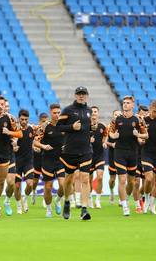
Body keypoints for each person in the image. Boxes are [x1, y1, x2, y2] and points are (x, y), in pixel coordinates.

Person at [58, 86, 95, 220]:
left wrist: (92, 129)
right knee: (69, 179)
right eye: (79, 94)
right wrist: (71, 127)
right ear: (75, 95)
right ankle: (67, 202)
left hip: (86, 150)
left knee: (85, 178)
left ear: (87, 96)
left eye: (83, 94)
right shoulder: (68, 110)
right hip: (70, 151)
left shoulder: (89, 111)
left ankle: (84, 210)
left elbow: (88, 128)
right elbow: (58, 127)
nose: (81, 96)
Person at [109, 96, 148, 216]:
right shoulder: (117, 119)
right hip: (119, 152)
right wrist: (113, 136)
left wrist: (138, 135)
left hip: (133, 153)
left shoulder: (139, 119)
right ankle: (125, 206)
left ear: (133, 105)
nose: (125, 105)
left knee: (132, 182)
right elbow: (111, 132)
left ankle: (126, 197)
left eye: (128, 103)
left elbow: (146, 135)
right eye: (124, 103)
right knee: (122, 179)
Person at [34, 104, 65, 217]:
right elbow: (36, 142)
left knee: (63, 185)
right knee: (48, 187)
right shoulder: (44, 126)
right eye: (55, 113)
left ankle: (57, 201)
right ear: (50, 113)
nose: (57, 115)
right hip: (47, 160)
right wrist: (44, 146)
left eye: (58, 113)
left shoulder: (64, 126)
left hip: (61, 160)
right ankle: (48, 209)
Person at [13, 109, 36, 214]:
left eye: (26, 119)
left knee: (30, 184)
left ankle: (25, 199)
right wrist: (14, 146)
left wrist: (35, 146)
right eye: (22, 119)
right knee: (17, 186)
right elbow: (11, 141)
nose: (24, 121)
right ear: (19, 119)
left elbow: (34, 140)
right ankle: (18, 205)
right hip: (16, 161)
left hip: (28, 161)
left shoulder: (31, 129)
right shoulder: (15, 130)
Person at [89, 106, 108, 209]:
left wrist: (104, 142)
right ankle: (90, 198)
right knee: (89, 180)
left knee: (100, 177)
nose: (94, 113)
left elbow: (105, 135)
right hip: (88, 156)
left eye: (95, 111)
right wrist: (88, 140)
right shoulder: (86, 126)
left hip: (99, 156)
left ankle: (98, 200)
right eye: (92, 112)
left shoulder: (102, 126)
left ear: (98, 113)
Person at [105, 110, 122, 205]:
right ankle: (111, 192)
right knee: (112, 179)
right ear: (113, 116)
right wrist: (112, 144)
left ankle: (121, 198)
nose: (117, 116)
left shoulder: (124, 126)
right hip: (112, 154)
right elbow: (105, 141)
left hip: (122, 154)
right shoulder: (109, 127)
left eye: (119, 114)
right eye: (115, 114)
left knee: (122, 177)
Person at [32, 113, 48, 205]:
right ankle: (34, 192)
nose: (44, 123)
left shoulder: (50, 129)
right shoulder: (35, 129)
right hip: (37, 156)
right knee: (35, 179)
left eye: (46, 121)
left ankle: (45, 199)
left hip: (47, 156)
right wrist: (33, 147)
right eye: (43, 121)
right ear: (39, 121)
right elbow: (30, 140)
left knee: (47, 178)